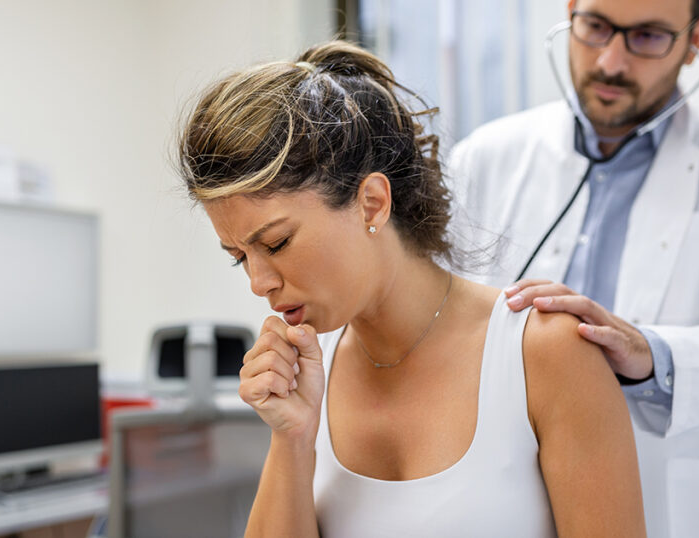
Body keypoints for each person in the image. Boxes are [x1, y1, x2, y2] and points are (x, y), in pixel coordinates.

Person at [178, 41, 646, 537]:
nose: (258, 283)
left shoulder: (545, 353)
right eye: (239, 258)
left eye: (277, 242)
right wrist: (291, 438)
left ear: (373, 203)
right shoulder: (307, 372)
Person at [447, 0, 699, 536]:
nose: (611, 62)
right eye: (595, 27)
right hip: (501, 500)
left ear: (697, 39)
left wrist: (652, 355)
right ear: (571, 11)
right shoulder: (487, 156)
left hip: (668, 506)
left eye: (647, 36)